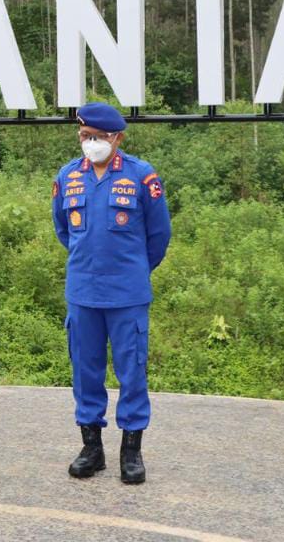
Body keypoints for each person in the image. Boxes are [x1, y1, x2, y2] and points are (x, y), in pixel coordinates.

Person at [53, 102, 171, 485]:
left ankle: (131, 452)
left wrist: (132, 269)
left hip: (127, 295)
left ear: (117, 137)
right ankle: (92, 448)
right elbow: (63, 230)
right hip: (83, 292)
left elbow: (159, 235)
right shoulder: (68, 176)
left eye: (98, 137)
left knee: (131, 371)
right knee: (85, 371)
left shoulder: (141, 176)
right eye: (85, 136)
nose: (91, 143)